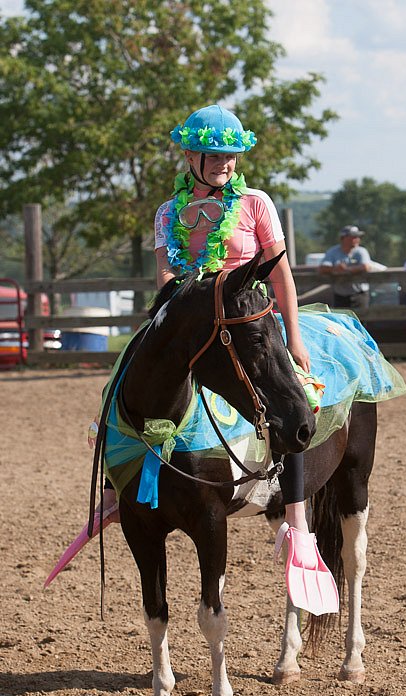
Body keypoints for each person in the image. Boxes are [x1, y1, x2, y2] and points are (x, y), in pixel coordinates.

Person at [88, 104, 337, 614]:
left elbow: (281, 275)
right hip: (189, 320)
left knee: (286, 400)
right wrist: (180, 321)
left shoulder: (255, 203)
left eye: (231, 154)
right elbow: (165, 281)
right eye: (214, 154)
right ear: (190, 156)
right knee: (122, 378)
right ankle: (117, 489)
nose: (225, 162)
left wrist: (293, 337)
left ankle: (297, 521)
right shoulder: (166, 213)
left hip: (249, 320)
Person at [319, 225, 371, 309]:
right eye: (354, 237)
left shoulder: (361, 251)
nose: (357, 239)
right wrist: (335, 269)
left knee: (361, 320)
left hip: (359, 294)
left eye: (358, 237)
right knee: (340, 320)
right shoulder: (333, 251)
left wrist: (347, 270)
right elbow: (322, 268)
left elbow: (366, 267)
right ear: (344, 238)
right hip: (340, 295)